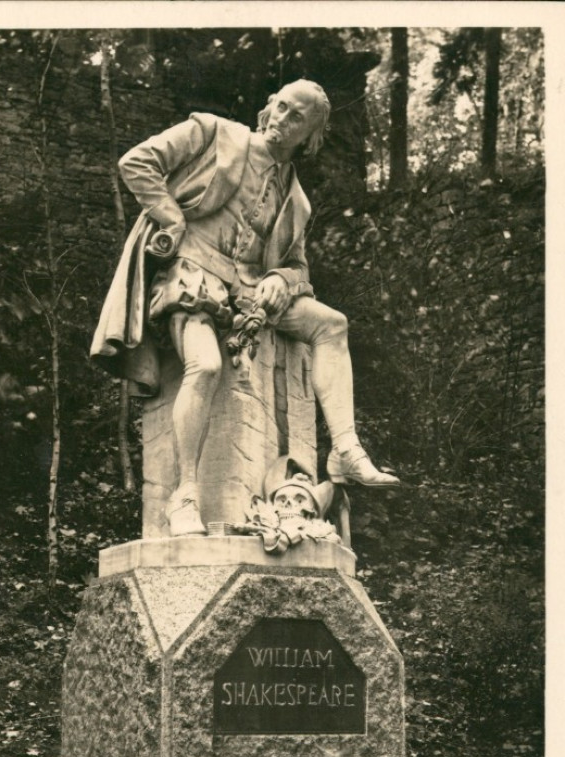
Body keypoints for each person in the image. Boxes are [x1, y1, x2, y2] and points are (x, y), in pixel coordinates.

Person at [91, 79, 399, 537]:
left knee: (332, 325)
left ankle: (345, 449)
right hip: (192, 272)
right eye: (281, 106)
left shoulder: (297, 200)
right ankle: (185, 495)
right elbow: (136, 162)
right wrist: (172, 218)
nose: (282, 119)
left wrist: (281, 278)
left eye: (297, 117)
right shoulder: (212, 133)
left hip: (249, 292)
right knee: (205, 365)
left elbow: (298, 267)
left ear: (310, 136)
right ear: (269, 105)